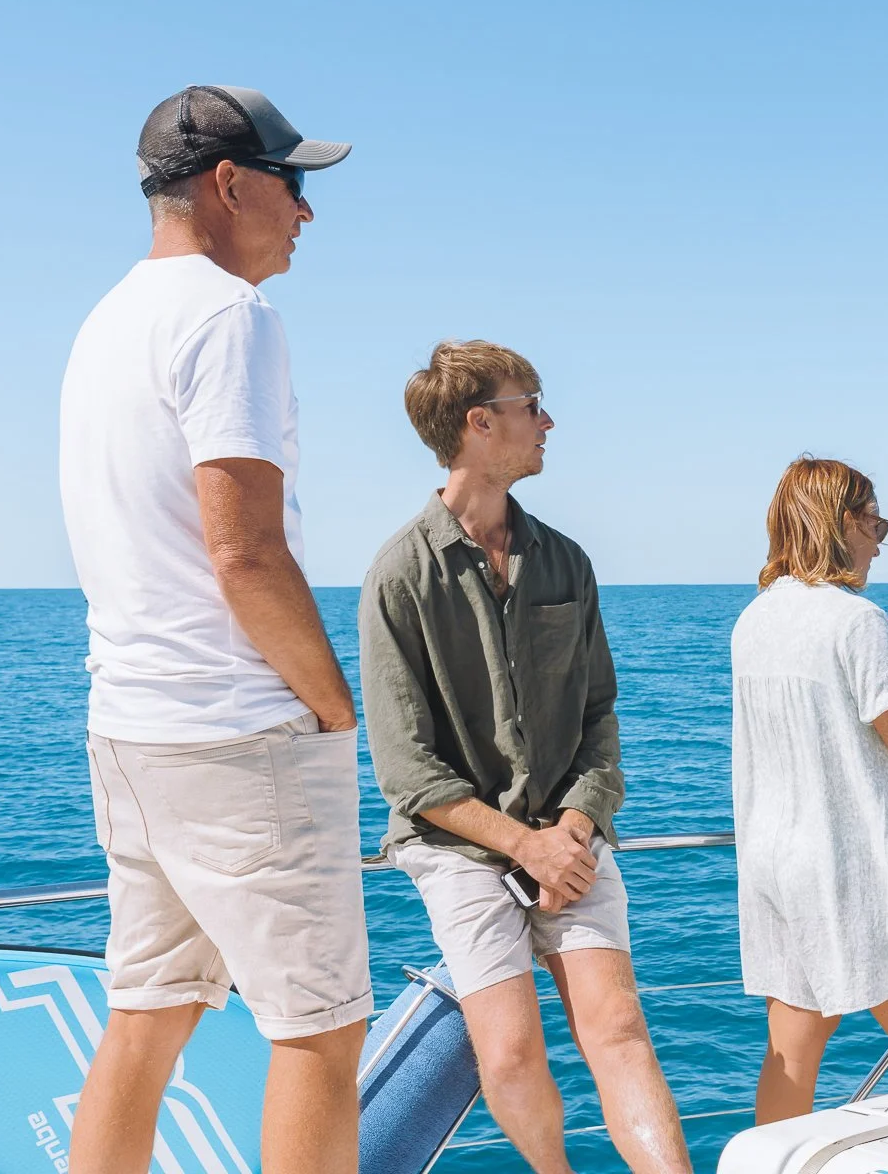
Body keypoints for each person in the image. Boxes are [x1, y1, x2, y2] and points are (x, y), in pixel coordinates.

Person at [58, 86, 369, 1173]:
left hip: (131, 734)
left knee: (146, 1017)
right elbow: (244, 552)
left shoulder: (103, 324)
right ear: (230, 185)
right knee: (321, 1029)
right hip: (238, 740)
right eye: (294, 185)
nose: (306, 214)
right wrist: (335, 711)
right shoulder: (230, 318)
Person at [359, 340, 691, 1174]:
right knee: (507, 1053)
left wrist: (572, 827)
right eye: (531, 403)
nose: (547, 420)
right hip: (461, 849)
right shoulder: (399, 576)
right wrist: (525, 846)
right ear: (479, 424)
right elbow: (408, 773)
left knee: (616, 1027)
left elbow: (599, 717)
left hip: (568, 837)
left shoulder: (566, 562)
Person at [731, 457, 888, 1123]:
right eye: (875, 523)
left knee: (795, 1054)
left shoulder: (754, 620)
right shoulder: (856, 621)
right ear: (841, 525)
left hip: (776, 865)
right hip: (850, 867)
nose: (880, 543)